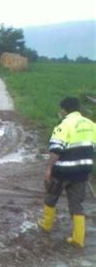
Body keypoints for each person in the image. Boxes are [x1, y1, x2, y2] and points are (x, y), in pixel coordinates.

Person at [37, 97, 96, 248]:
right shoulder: (91, 124)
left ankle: (46, 225)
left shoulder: (63, 124)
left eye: (61, 109)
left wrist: (49, 168)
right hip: (82, 171)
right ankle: (78, 239)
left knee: (51, 197)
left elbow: (56, 150)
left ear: (64, 109)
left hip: (63, 170)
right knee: (76, 204)